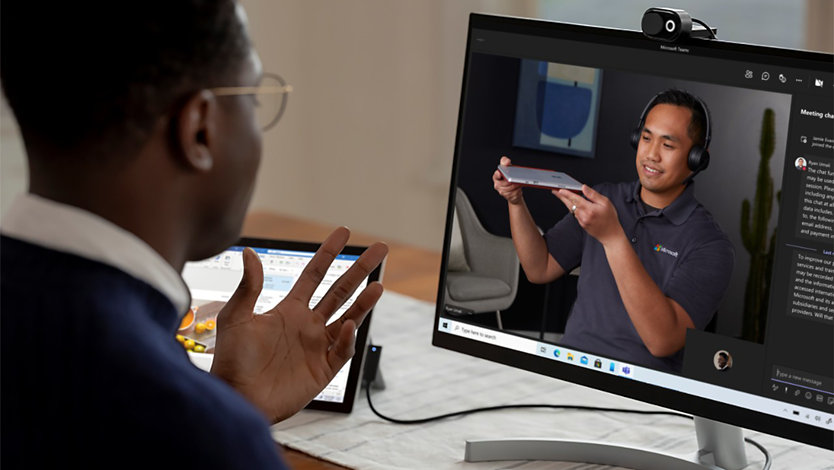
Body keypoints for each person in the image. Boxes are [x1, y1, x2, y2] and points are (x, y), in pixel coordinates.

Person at [0, 1, 387, 468]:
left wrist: (225, 402)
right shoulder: (194, 433)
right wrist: (220, 424)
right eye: (253, 99)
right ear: (200, 128)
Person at [493, 89, 733, 373]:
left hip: (640, 389)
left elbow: (663, 341)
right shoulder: (604, 199)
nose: (651, 155)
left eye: (668, 146)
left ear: (696, 158)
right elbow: (539, 268)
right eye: (646, 138)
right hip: (571, 365)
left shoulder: (711, 245)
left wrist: (612, 238)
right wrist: (516, 202)